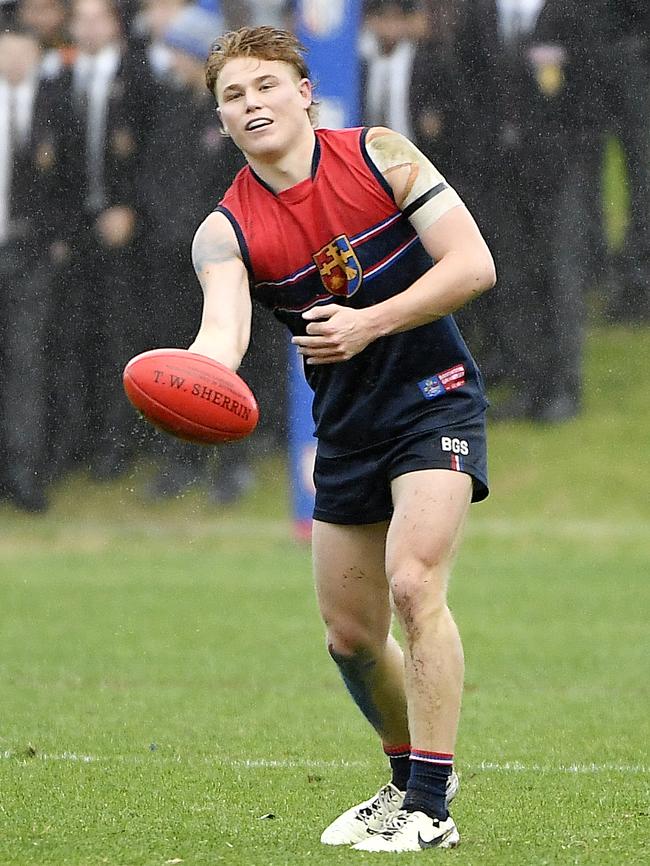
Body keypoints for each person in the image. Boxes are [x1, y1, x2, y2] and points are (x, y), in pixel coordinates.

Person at [186, 26, 495, 851]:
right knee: (351, 639)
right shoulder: (225, 232)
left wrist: (371, 322)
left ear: (303, 91)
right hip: (350, 430)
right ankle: (406, 780)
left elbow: (471, 265)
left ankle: (431, 806)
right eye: (233, 96)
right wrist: (188, 382)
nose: (251, 104)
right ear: (220, 121)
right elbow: (223, 335)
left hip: (435, 400)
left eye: (264, 86)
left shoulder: (381, 154)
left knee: (414, 581)